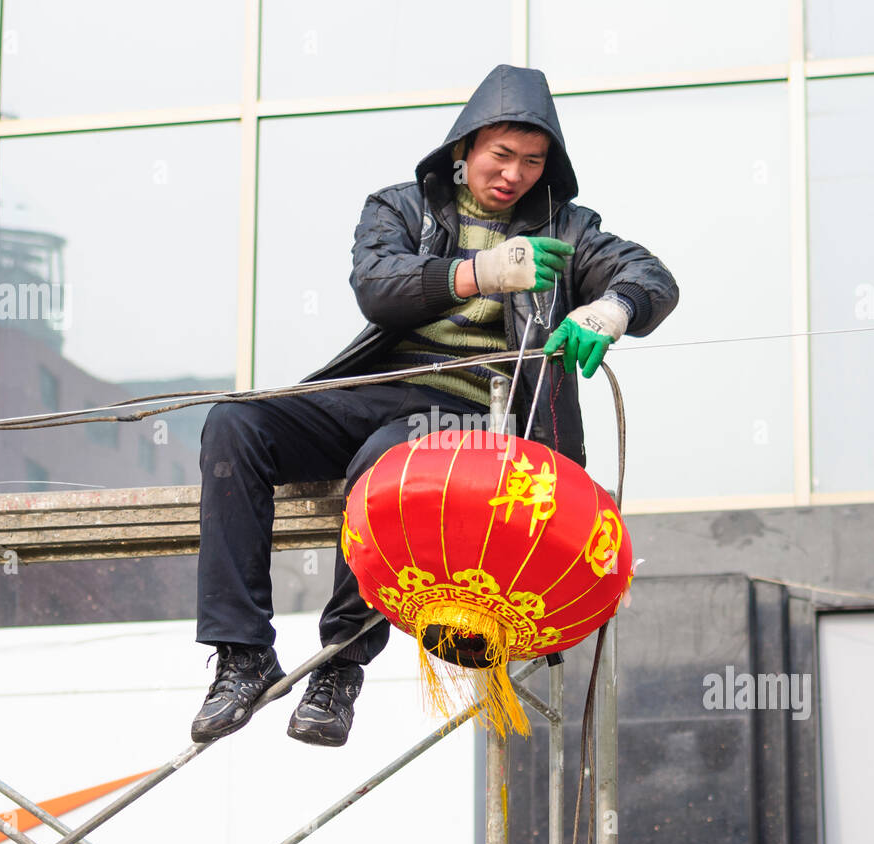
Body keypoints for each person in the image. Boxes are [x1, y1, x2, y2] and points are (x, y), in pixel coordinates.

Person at [190, 64, 679, 747]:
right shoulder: (400, 208)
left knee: (388, 455)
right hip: (377, 391)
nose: (513, 173)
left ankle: (339, 664)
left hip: (481, 419)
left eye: (532, 162)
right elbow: (376, 285)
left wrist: (611, 308)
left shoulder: (568, 231)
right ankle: (241, 656)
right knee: (235, 424)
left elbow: (650, 276)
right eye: (500, 155)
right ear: (464, 151)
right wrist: (477, 272)